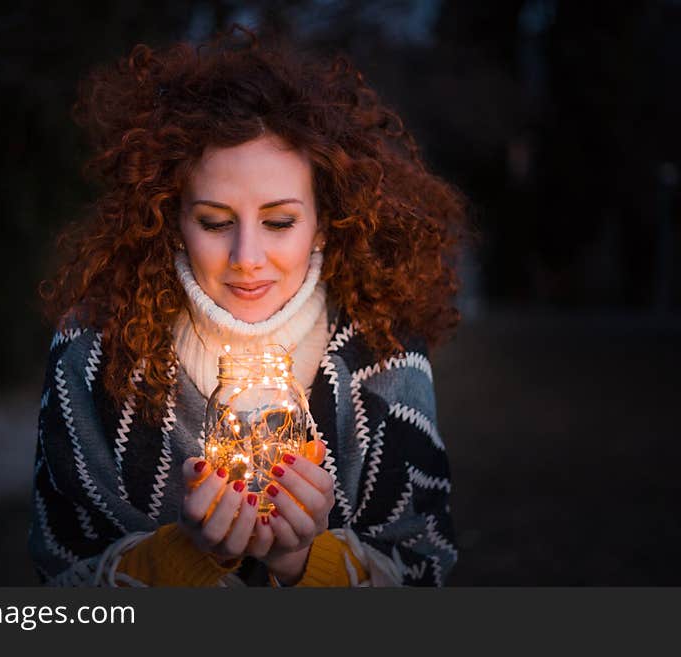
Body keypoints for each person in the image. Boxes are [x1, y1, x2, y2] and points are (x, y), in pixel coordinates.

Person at [28, 26, 468, 587]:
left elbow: (424, 573)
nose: (247, 258)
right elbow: (55, 586)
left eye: (279, 221)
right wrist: (179, 557)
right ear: (172, 217)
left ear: (324, 226)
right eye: (215, 222)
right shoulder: (91, 358)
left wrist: (306, 562)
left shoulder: (387, 360)